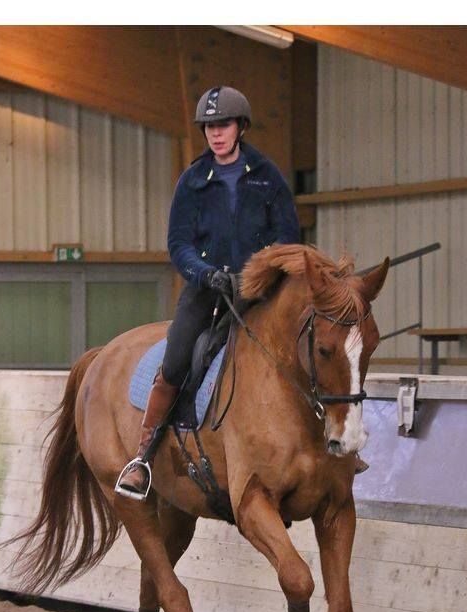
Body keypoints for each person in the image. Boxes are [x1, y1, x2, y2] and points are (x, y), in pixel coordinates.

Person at [115, 86, 366, 500]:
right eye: (209, 126)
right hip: (207, 290)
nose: (216, 133)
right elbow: (179, 244)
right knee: (176, 360)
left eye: (224, 125)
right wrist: (206, 274)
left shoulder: (267, 176)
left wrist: (260, 271)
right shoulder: (192, 181)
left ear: (241, 127)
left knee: (311, 347)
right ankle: (143, 455)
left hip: (260, 289)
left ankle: (340, 443)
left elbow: (287, 238)